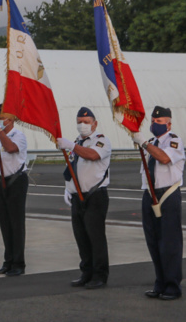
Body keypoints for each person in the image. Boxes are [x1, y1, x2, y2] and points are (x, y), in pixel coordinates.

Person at [132, 105, 185, 300]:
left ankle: (172, 286)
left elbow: (163, 158)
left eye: (159, 122)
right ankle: (160, 283)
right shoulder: (152, 142)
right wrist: (146, 144)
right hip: (149, 194)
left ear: (169, 124)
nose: (155, 124)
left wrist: (144, 144)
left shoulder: (173, 141)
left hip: (167, 195)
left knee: (169, 243)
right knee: (153, 241)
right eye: (153, 122)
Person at [56, 107, 111, 289]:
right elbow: (71, 166)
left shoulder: (101, 141)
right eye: (79, 122)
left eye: (86, 122)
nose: (82, 125)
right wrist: (68, 188)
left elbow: (93, 156)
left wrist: (72, 147)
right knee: (81, 237)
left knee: (95, 237)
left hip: (95, 196)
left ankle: (99, 275)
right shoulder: (76, 142)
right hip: (76, 196)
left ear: (94, 123)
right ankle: (86, 272)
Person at [0, 105, 29, 276]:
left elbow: (11, 149)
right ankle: (8, 261)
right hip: (0, 182)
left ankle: (18, 263)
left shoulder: (17, 135)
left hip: (15, 181)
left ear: (10, 119)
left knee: (16, 223)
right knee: (5, 223)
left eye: (0, 117)